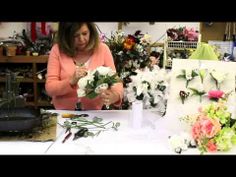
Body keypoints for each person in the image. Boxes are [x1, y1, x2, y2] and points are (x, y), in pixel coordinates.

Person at [45, 22, 123, 110]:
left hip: (95, 114)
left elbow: (115, 81)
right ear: (66, 36)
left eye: (85, 33)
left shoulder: (103, 49)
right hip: (64, 114)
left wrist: (115, 96)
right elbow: (50, 88)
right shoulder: (57, 50)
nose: (81, 39)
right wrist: (71, 81)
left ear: (91, 31)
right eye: (75, 36)